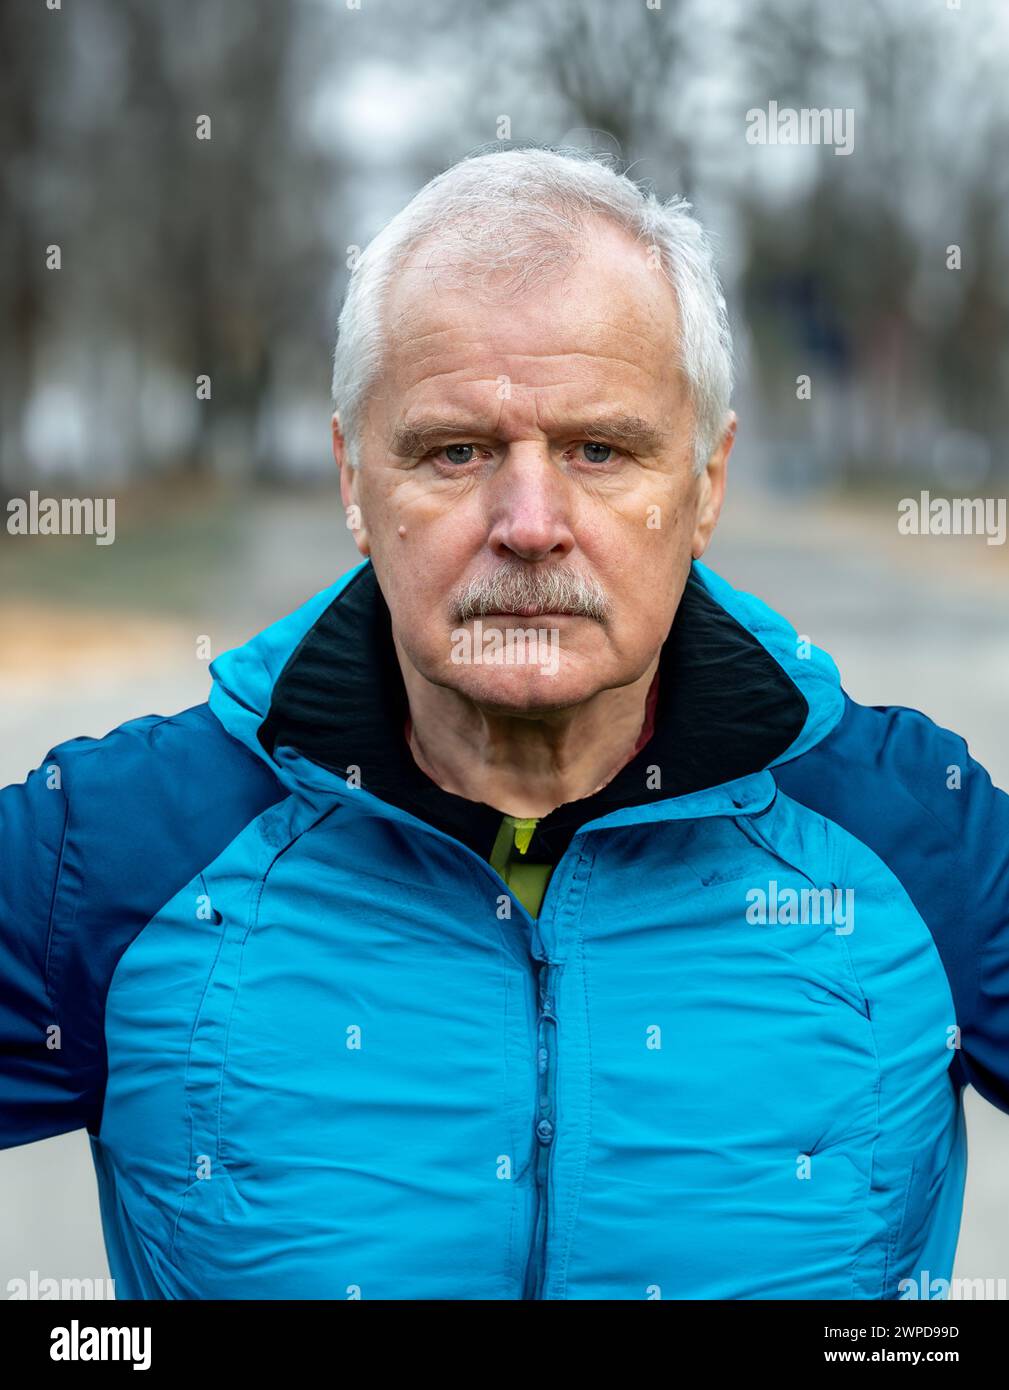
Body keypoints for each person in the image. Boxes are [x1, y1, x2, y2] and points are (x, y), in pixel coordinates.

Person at [2, 146, 1007, 1300]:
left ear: (707, 480)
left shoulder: (918, 835)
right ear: (351, 476)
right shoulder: (114, 849)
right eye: (455, 451)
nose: (530, 524)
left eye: (599, 449)